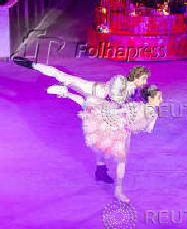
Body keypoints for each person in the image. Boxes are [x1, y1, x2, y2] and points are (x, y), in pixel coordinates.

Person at [13, 57, 162, 202]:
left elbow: (130, 107)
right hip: (93, 91)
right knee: (63, 76)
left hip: (103, 106)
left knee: (106, 141)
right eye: (143, 78)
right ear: (135, 76)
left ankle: (101, 170)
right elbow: (115, 100)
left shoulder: (135, 91)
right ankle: (33, 65)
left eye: (146, 79)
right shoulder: (120, 81)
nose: (145, 82)